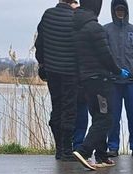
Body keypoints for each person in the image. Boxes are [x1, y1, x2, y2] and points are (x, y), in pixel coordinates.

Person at [72, 0, 130, 170]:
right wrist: (118, 71)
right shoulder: (95, 28)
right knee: (105, 118)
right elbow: (106, 55)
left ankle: (102, 156)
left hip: (86, 80)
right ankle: (84, 151)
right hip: (100, 80)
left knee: (98, 116)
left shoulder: (76, 26)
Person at [34, 0, 80, 161]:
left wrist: (42, 64)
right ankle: (67, 150)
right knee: (69, 109)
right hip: (70, 71)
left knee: (57, 106)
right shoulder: (75, 17)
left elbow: (39, 44)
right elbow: (78, 45)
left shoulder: (48, 15)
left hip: (52, 70)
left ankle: (59, 149)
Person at [104, 0, 133, 159]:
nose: (120, 13)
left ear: (126, 11)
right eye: (117, 10)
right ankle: (113, 147)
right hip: (113, 81)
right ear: (113, 11)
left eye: (122, 10)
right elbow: (102, 55)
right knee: (113, 117)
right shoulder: (106, 30)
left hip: (132, 82)